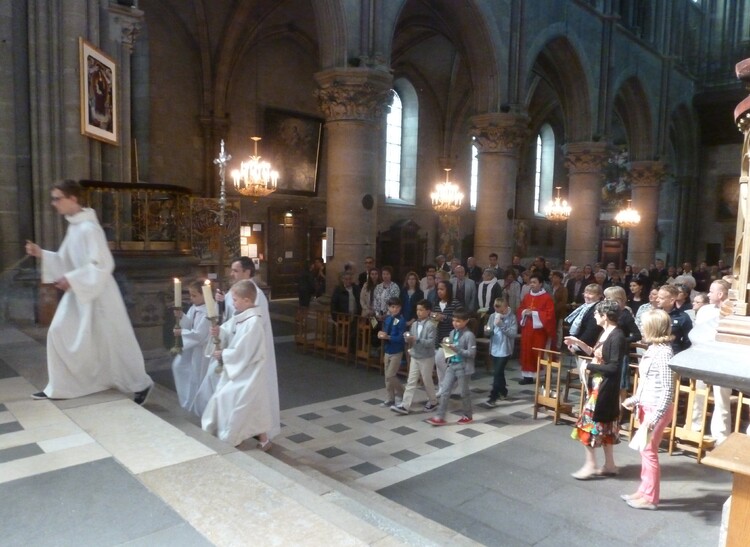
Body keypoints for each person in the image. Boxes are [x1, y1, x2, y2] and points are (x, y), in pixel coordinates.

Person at [25, 180, 153, 403]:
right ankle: (59, 386)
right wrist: (41, 253)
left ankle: (141, 384)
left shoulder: (89, 228)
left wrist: (72, 278)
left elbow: (103, 264)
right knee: (59, 332)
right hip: (81, 291)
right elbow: (66, 260)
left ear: (72, 199)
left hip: (100, 294)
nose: (54, 203)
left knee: (114, 342)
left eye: (57, 198)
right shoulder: (75, 227)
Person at [208, 256, 280, 439]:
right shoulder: (236, 289)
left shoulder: (255, 294)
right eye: (231, 270)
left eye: (235, 270)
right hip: (238, 349)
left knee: (246, 396)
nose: (231, 274)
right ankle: (245, 431)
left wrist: (227, 351)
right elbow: (232, 319)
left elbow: (251, 326)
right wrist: (222, 303)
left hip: (250, 354)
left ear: (247, 272)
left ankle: (249, 433)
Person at [201, 280, 274, 449]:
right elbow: (228, 330)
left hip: (249, 371)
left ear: (247, 300)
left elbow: (244, 350)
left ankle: (233, 437)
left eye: (235, 300)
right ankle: (263, 440)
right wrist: (219, 331)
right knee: (252, 405)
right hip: (241, 370)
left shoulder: (254, 322)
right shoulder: (241, 317)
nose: (232, 303)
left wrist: (224, 354)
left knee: (233, 401)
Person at [564, 299, 628, 480]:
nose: (594, 315)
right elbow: (597, 354)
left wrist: (590, 367)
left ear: (605, 316)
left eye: (597, 313)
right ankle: (609, 465)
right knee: (605, 426)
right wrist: (580, 344)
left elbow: (614, 367)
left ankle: (591, 464)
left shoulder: (616, 336)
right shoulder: (606, 332)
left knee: (588, 426)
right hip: (599, 386)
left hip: (604, 389)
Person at [621, 309, 676, 510]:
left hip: (656, 409)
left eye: (643, 324)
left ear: (652, 327)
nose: (641, 328)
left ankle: (651, 497)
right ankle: (644, 490)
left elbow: (668, 388)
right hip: (648, 405)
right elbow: (647, 383)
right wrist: (635, 399)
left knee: (649, 451)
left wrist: (656, 415)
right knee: (645, 451)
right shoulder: (655, 348)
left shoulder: (663, 352)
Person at [427, 308, 476, 426]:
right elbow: (450, 352)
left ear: (466, 321)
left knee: (464, 393)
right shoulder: (452, 333)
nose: (455, 323)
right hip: (452, 365)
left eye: (458, 321)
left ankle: (468, 415)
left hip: (464, 367)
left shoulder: (469, 335)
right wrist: (447, 347)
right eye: (454, 320)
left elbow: (471, 354)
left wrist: (457, 349)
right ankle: (440, 416)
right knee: (444, 391)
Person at [391, 299, 438, 414]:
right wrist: (408, 338)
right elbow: (411, 338)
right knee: (411, 380)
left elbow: (431, 343)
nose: (418, 312)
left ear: (428, 311)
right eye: (417, 310)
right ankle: (405, 405)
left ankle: (433, 401)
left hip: (426, 357)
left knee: (427, 380)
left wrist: (416, 339)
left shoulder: (431, 325)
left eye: (421, 310)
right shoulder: (414, 324)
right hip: (415, 355)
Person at [171, 279, 211, 410]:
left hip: (202, 350)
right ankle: (188, 401)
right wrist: (182, 316)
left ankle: (198, 405)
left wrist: (181, 332)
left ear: (204, 294)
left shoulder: (208, 311)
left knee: (198, 376)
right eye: (190, 295)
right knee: (179, 366)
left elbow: (200, 335)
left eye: (194, 295)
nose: (191, 298)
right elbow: (189, 323)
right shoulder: (195, 308)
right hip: (193, 348)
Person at [516, 273, 556, 384]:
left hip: (539, 331)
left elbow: (549, 315)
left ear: (541, 284)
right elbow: (520, 309)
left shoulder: (547, 298)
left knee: (537, 352)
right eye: (531, 282)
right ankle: (527, 377)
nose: (532, 285)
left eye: (534, 282)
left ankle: (542, 374)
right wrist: (524, 312)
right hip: (527, 329)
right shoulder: (527, 296)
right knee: (526, 352)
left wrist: (533, 313)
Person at [483, 297, 518, 407]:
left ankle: (493, 397)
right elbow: (488, 332)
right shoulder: (493, 316)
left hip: (505, 349)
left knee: (497, 373)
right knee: (499, 373)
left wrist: (502, 325)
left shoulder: (512, 317)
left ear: (505, 307)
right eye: (495, 308)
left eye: (500, 308)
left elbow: (513, 334)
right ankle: (503, 391)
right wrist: (488, 331)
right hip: (494, 348)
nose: (497, 311)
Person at [378, 297, 406, 406]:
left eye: (397, 307)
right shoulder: (388, 319)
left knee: (390, 375)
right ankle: (390, 398)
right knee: (387, 376)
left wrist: (388, 337)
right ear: (389, 308)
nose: (395, 309)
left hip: (396, 351)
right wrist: (381, 334)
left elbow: (400, 337)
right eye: (392, 307)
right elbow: (385, 331)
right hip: (387, 350)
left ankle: (402, 392)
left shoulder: (401, 320)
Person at [433, 280, 461, 386]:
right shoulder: (436, 304)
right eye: (438, 289)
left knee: (443, 361)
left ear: (448, 290)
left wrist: (444, 317)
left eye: (442, 289)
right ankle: (442, 386)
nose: (439, 292)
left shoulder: (455, 303)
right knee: (439, 363)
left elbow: (459, 318)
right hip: (439, 336)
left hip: (450, 337)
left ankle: (451, 380)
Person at [655, 284, 692, 354]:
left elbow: (687, 340)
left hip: (673, 353)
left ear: (671, 300)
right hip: (654, 352)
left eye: (661, 298)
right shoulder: (654, 315)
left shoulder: (683, 317)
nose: (657, 300)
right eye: (657, 297)